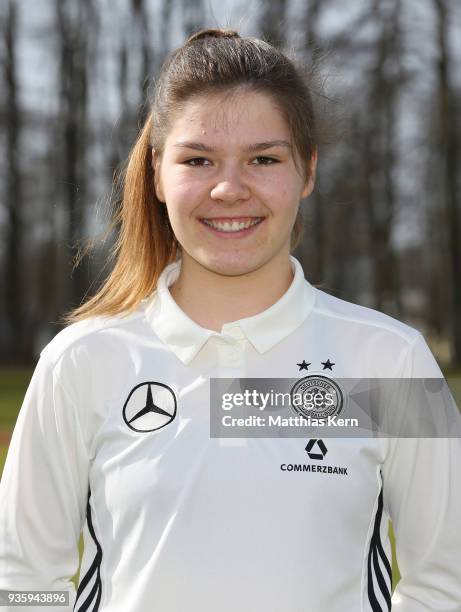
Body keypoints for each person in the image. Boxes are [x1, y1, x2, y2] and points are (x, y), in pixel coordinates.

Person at [0, 27, 460, 612]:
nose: (228, 188)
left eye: (263, 159)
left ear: (308, 171)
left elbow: (447, 582)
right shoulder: (82, 361)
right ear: (158, 174)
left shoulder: (391, 361)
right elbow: (22, 581)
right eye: (198, 160)